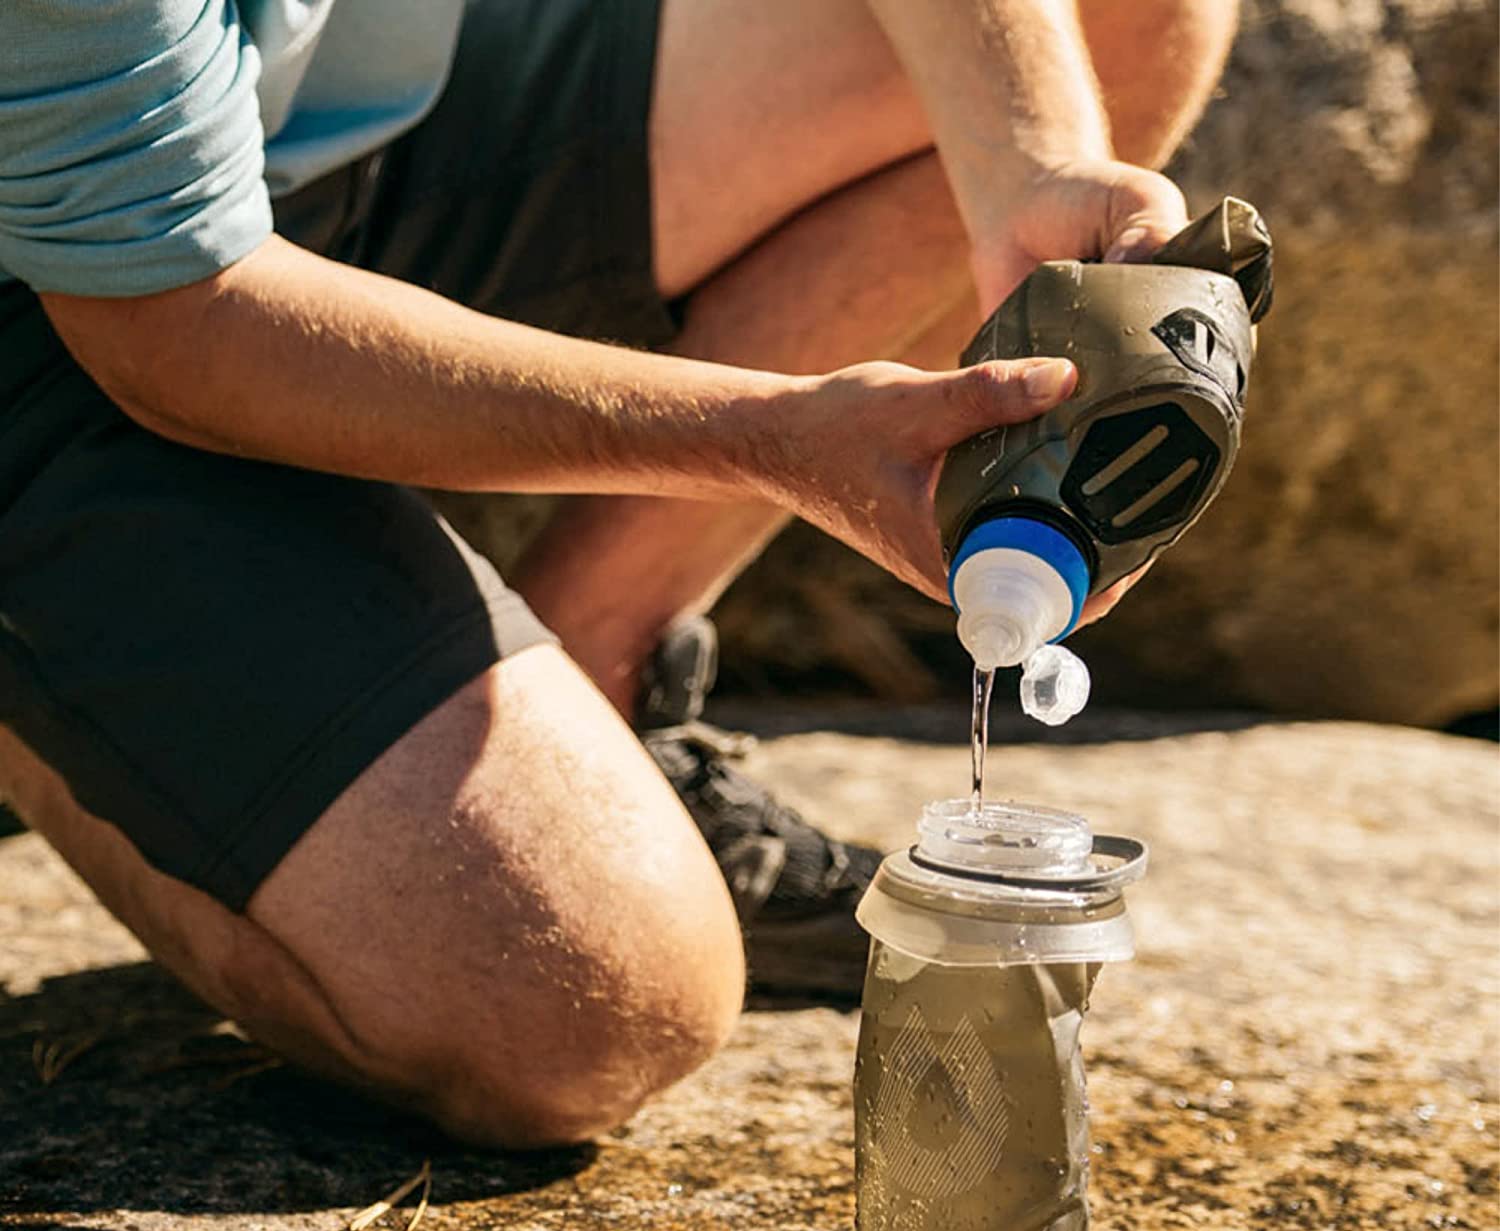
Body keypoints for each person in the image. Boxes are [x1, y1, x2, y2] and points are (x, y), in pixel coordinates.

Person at [0, 1, 1237, 1146]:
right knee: (582, 1003)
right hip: (80, 300)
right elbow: (176, 320)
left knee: (1121, 20)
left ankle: (603, 665)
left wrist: (1036, 159)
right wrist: (768, 439)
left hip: (326, 106)